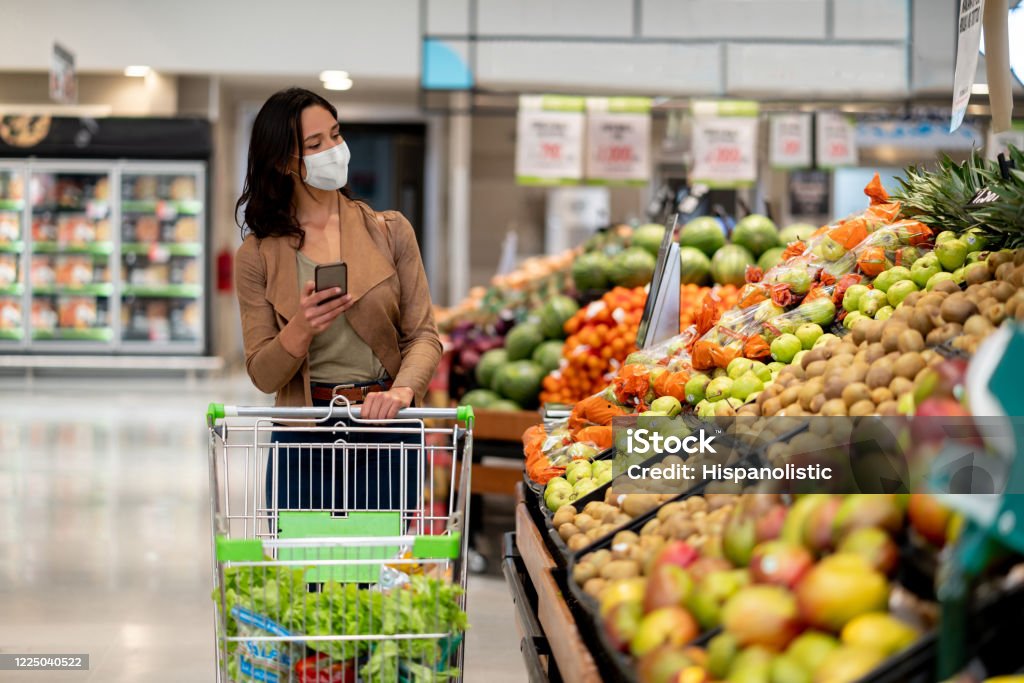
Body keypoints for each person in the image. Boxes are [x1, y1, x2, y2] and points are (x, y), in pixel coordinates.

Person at [234, 87, 442, 523]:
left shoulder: (390, 231)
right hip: (302, 438)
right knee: (307, 582)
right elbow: (262, 373)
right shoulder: (257, 256)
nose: (333, 151)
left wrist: (404, 390)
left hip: (385, 429)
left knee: (384, 579)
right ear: (281, 161)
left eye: (335, 135)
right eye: (314, 145)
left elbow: (423, 335)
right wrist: (300, 328)